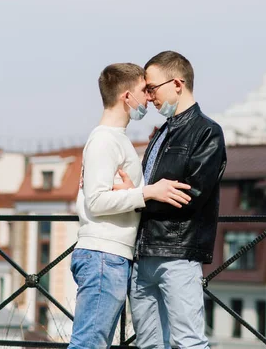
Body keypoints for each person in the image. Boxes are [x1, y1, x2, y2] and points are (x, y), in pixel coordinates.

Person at [67, 62, 192, 349]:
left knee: (94, 342)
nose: (148, 97)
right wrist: (147, 192)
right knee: (89, 343)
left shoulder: (115, 140)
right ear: (126, 96)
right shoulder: (104, 141)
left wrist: (137, 190)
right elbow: (96, 201)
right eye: (143, 90)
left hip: (109, 255)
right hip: (103, 255)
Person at [128, 51, 227, 349]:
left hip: (178, 253)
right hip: (143, 253)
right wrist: (140, 191)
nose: (149, 96)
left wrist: (139, 197)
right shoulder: (162, 132)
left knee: (188, 342)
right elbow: (155, 187)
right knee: (149, 344)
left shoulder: (207, 131)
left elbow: (191, 195)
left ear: (178, 83)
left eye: (152, 88)